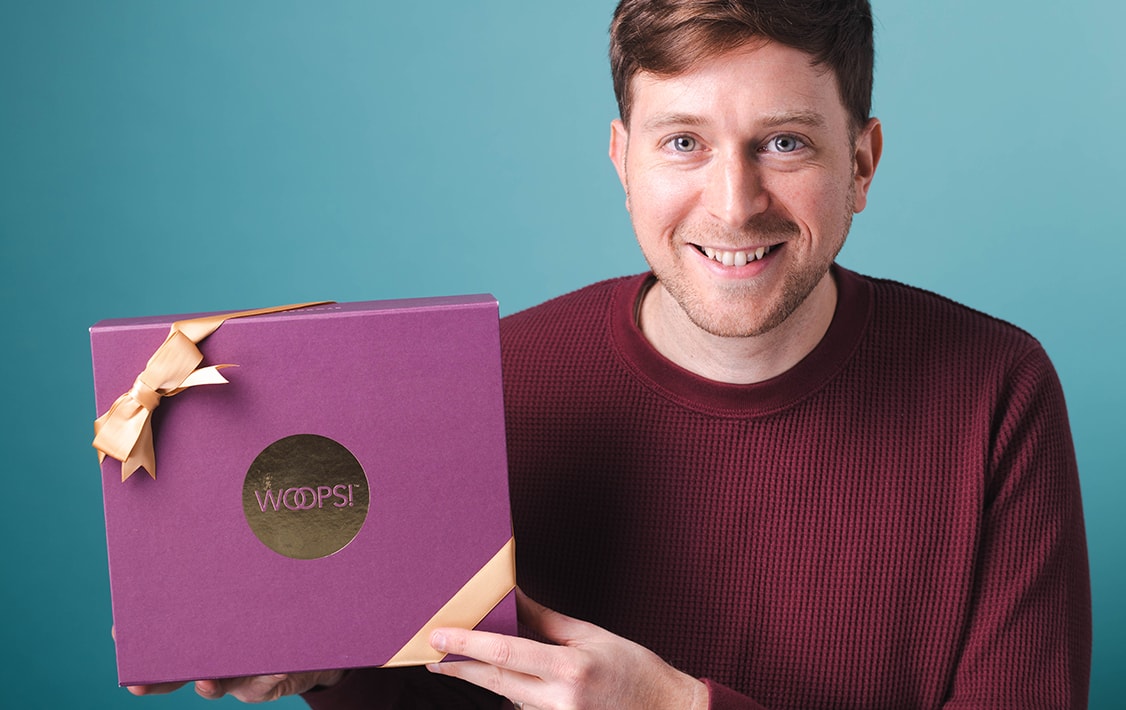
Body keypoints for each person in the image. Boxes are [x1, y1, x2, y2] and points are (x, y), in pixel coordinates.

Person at [127, 0, 1092, 707]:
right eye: (683, 143)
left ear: (864, 163)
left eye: (785, 143)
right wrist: (331, 666)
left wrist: (673, 708)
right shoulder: (480, 386)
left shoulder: (993, 391)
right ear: (622, 161)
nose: (732, 204)